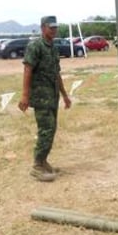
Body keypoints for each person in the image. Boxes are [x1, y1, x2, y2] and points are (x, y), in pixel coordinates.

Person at [18, 15, 72, 182]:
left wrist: (64, 95)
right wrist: (25, 95)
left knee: (51, 129)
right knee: (46, 130)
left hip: (53, 95)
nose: (54, 30)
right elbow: (28, 70)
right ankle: (36, 166)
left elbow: (56, 74)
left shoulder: (53, 48)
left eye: (56, 27)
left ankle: (43, 161)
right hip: (41, 97)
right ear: (43, 28)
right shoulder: (35, 46)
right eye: (51, 27)